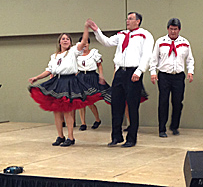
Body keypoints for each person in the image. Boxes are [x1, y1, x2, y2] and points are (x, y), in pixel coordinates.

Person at [28, 21, 105, 146]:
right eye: (63, 39)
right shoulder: (54, 56)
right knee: (57, 111)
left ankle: (71, 137)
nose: (65, 41)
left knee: (68, 111)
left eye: (67, 39)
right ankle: (60, 136)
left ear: (70, 42)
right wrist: (37, 77)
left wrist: (86, 28)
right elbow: (49, 70)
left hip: (69, 81)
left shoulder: (73, 51)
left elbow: (84, 42)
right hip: (57, 82)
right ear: (59, 42)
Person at [87, 12, 154, 147]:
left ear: (138, 21)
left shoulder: (145, 35)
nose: (128, 21)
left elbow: (147, 55)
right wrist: (96, 31)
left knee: (132, 106)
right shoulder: (122, 34)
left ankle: (131, 138)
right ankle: (116, 136)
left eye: (131, 19)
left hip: (133, 71)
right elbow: (107, 42)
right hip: (120, 72)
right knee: (116, 104)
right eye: (127, 19)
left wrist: (140, 71)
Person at [149, 18, 194, 138]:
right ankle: (161, 128)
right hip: (164, 75)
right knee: (163, 102)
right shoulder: (160, 42)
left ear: (179, 29)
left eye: (175, 29)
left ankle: (174, 126)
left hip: (178, 76)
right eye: (171, 29)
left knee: (177, 102)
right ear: (167, 29)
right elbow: (154, 59)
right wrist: (153, 72)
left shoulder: (185, 42)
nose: (173, 32)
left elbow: (190, 59)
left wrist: (191, 72)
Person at [76, 36, 110, 131]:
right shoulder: (76, 55)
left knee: (90, 101)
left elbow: (99, 65)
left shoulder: (94, 53)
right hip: (81, 77)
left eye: (86, 43)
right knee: (81, 101)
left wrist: (101, 75)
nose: (85, 45)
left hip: (91, 77)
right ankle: (83, 123)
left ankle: (97, 119)